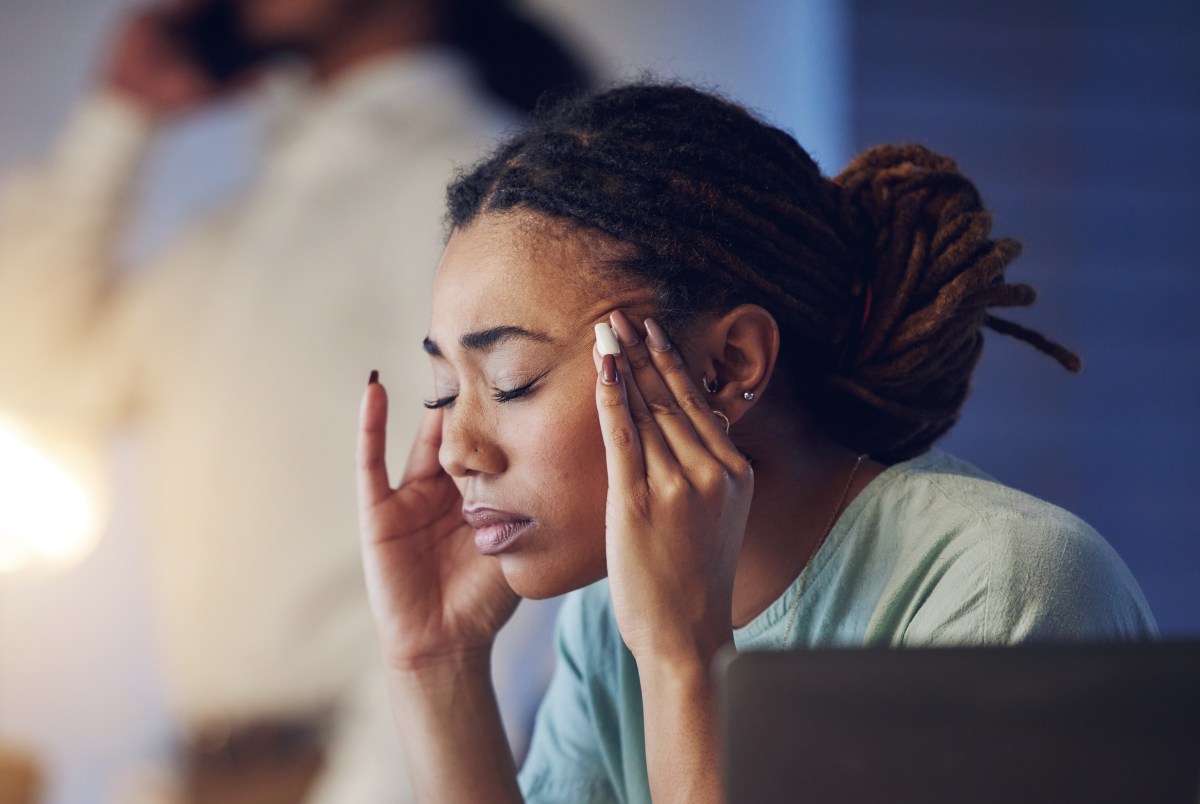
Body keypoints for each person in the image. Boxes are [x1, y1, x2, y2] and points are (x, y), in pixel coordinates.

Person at [355, 83, 1158, 803]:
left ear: (727, 364)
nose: (459, 448)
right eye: (444, 392)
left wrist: (683, 659)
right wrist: (439, 667)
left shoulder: (1009, 591)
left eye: (512, 381)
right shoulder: (610, 623)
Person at [0, 0, 588, 801]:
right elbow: (33, 372)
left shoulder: (460, 181)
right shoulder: (237, 229)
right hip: (204, 769)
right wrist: (117, 119)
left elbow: (512, 516)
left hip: (356, 771)